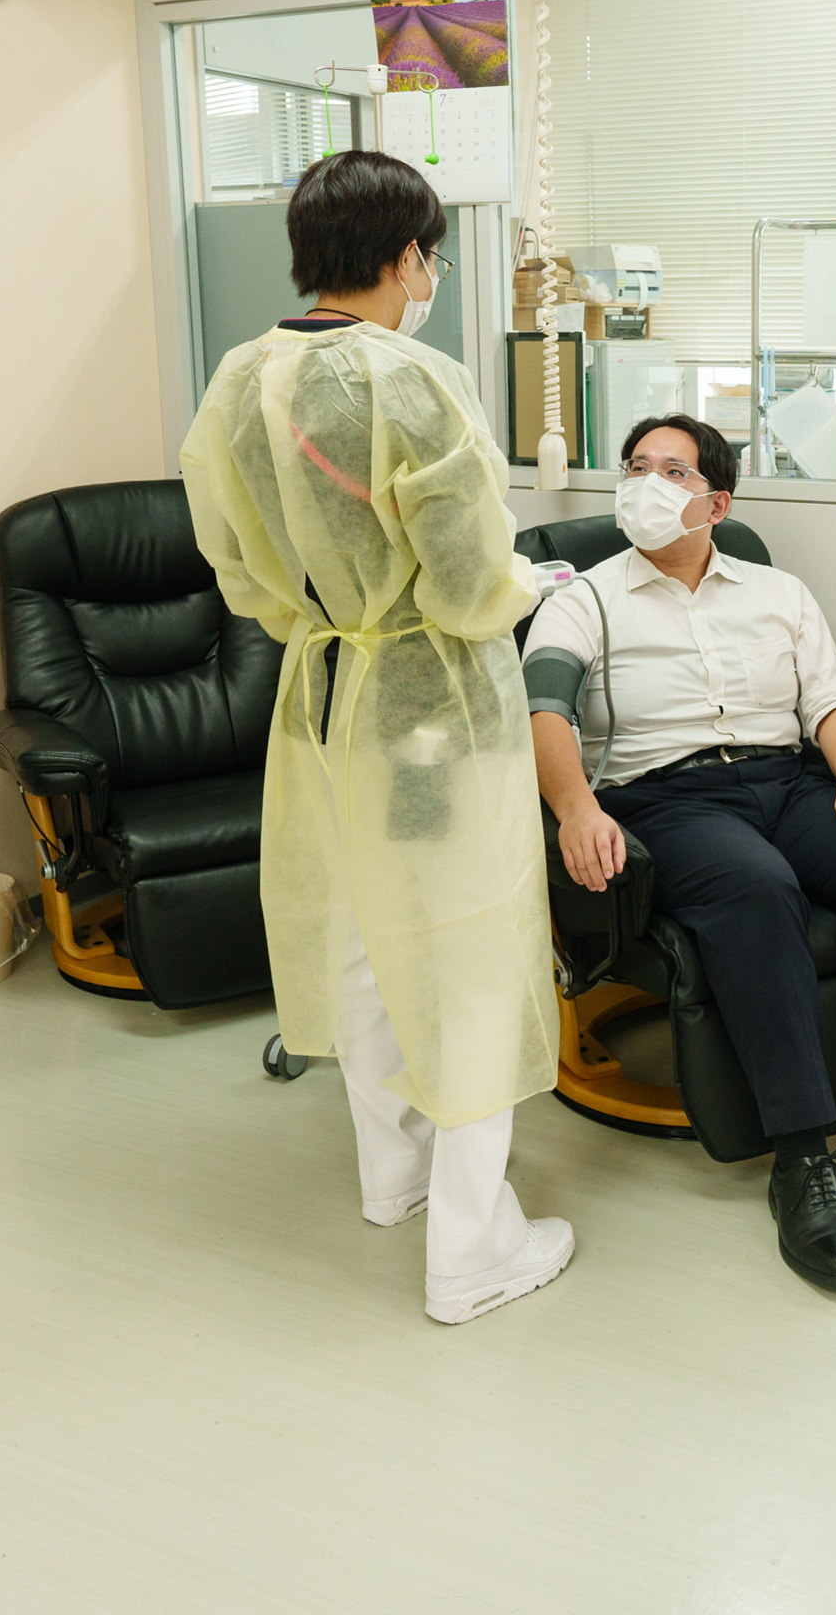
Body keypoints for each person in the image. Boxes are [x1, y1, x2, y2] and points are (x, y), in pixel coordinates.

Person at [178, 149, 571, 1326]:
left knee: (359, 939)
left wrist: (332, 620)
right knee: (467, 957)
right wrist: (527, 585)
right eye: (430, 257)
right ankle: (473, 1251)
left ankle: (394, 1176)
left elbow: (235, 563)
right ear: (406, 257)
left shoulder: (240, 377)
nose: (430, 276)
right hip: (434, 705)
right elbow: (467, 579)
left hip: (323, 698)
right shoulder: (414, 380)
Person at [521, 414, 836, 1291]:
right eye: (635, 467)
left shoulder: (779, 593)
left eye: (672, 471)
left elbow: (832, 700)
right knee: (756, 888)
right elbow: (544, 709)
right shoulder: (582, 599)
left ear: (717, 503)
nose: (646, 483)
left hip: (788, 781)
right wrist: (575, 807)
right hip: (666, 797)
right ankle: (802, 1156)